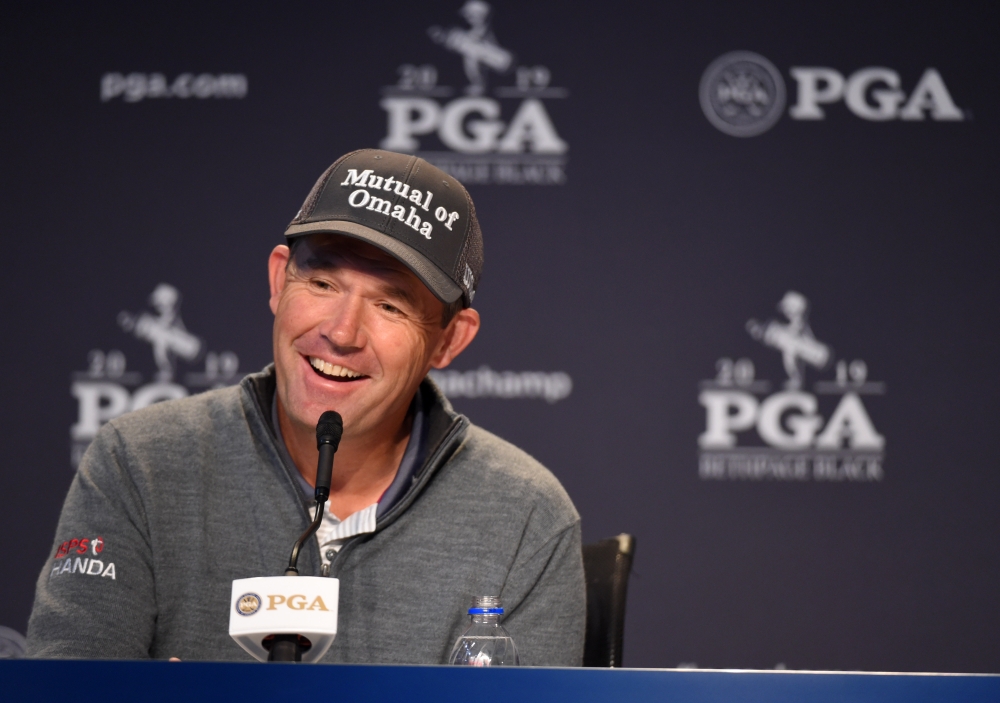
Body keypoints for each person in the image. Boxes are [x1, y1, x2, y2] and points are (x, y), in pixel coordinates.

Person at [27, 149, 586, 664]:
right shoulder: (140, 465)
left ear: (449, 340)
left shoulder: (527, 518)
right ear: (278, 279)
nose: (341, 332)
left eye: (391, 305)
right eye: (321, 282)